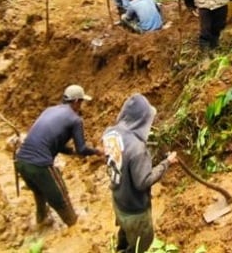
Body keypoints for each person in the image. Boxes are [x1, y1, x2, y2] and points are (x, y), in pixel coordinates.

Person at [14, 85, 103, 227]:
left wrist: (72, 152)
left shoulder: (49, 110)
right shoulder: (75, 119)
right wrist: (97, 152)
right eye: (81, 102)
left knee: (40, 193)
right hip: (40, 165)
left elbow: (54, 143)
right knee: (62, 199)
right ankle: (75, 228)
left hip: (21, 161)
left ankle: (41, 222)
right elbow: (82, 149)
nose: (81, 106)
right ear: (75, 102)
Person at [102, 94, 178, 253]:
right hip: (135, 210)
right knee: (141, 245)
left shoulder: (110, 133)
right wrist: (166, 163)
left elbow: (119, 157)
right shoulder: (138, 149)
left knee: (124, 235)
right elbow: (143, 181)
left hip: (119, 202)